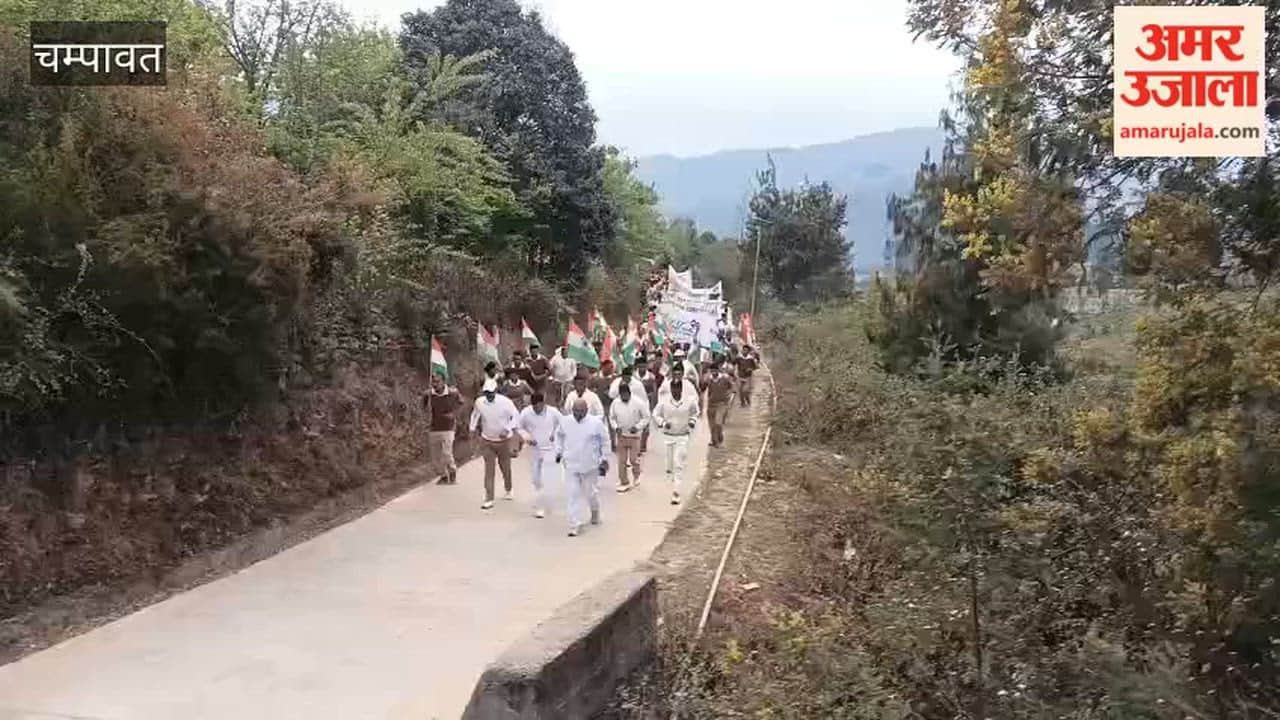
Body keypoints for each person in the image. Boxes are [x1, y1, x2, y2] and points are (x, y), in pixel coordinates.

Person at [555, 398, 610, 537]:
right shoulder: (566, 421)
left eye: (581, 411)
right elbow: (559, 436)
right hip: (571, 464)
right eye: (575, 411)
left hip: (590, 465)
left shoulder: (595, 423)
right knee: (573, 494)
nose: (578, 414)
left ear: (586, 410)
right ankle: (574, 524)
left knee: (590, 493)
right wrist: (559, 451)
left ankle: (595, 511)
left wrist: (604, 459)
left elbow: (605, 441)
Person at [469, 378, 520, 510]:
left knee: (505, 468)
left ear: (496, 391)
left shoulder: (505, 402)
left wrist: (507, 428)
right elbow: (475, 415)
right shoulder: (479, 402)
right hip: (487, 440)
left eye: (491, 392)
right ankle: (489, 498)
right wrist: (472, 429)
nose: (489, 395)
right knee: (489, 471)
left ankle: (508, 489)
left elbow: (516, 416)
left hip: (503, 441)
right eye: (486, 392)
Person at [652, 376, 699, 505]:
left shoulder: (689, 401)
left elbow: (695, 413)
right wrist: (662, 423)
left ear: (681, 389)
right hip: (668, 436)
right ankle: (672, 479)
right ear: (671, 389)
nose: (675, 392)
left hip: (682, 436)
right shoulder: (664, 401)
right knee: (670, 466)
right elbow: (655, 414)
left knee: (679, 463)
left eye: (678, 389)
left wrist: (691, 422)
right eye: (673, 389)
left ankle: (676, 492)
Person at [518, 393, 561, 519]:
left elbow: (563, 424)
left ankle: (541, 506)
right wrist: (527, 437)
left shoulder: (553, 412)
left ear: (543, 403)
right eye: (534, 407)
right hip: (534, 449)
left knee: (547, 477)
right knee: (536, 479)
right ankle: (541, 499)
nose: (536, 409)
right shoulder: (526, 413)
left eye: (539, 406)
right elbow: (519, 428)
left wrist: (555, 434)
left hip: (549, 449)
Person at [609, 382, 650, 493]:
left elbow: (646, 417)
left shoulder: (638, 403)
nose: (624, 397)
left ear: (629, 393)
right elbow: (611, 417)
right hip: (621, 436)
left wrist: (637, 427)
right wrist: (615, 427)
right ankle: (624, 482)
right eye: (622, 395)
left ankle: (637, 474)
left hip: (634, 436)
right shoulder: (615, 403)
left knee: (633, 459)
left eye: (626, 395)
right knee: (621, 461)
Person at [424, 372, 463, 485]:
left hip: (448, 427)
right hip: (434, 427)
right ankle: (443, 475)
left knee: (446, 453)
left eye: (437, 381)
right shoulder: (429, 394)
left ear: (443, 382)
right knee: (435, 457)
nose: (434, 384)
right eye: (433, 382)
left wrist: (454, 414)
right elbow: (423, 407)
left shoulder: (453, 393)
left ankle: (452, 472)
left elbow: (461, 403)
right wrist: (425, 403)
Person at [703, 362, 736, 447]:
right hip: (711, 404)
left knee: (718, 423)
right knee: (712, 425)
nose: (713, 373)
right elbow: (702, 388)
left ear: (718, 370)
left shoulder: (725, 378)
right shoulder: (708, 379)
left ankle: (719, 438)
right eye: (712, 371)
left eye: (715, 371)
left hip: (722, 404)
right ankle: (715, 441)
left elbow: (732, 386)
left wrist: (729, 394)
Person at [634, 358, 661, 454]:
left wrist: (654, 406)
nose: (642, 368)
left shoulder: (651, 377)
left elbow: (654, 392)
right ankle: (636, 446)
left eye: (644, 366)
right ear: (637, 367)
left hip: (646, 404)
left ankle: (643, 445)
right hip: (634, 405)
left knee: (645, 426)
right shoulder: (633, 376)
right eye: (640, 366)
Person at [594, 361, 617, 449]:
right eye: (609, 368)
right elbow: (590, 389)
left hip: (610, 405)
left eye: (612, 367)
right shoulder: (595, 378)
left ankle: (613, 443)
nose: (611, 369)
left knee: (612, 425)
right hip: (599, 405)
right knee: (598, 424)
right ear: (603, 367)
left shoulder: (615, 379)